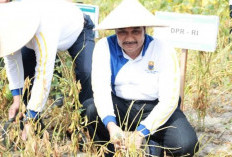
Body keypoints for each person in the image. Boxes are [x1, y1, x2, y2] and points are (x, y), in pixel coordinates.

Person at [82, 0, 199, 156]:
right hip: (121, 106)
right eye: (122, 31)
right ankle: (110, 151)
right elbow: (101, 90)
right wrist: (111, 125)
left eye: (135, 31)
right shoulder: (104, 47)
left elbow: (169, 100)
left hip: (155, 106)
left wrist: (141, 132)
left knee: (185, 145)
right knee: (90, 108)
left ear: (145, 30)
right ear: (115, 31)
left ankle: (152, 138)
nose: (129, 38)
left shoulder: (163, 49)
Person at [0, 0, 94, 140]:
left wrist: (32, 114)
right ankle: (34, 126)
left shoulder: (45, 29)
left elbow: (43, 74)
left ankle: (83, 125)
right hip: (43, 34)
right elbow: (12, 60)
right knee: (25, 69)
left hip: (78, 31)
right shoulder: (9, 23)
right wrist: (17, 98)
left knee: (86, 72)